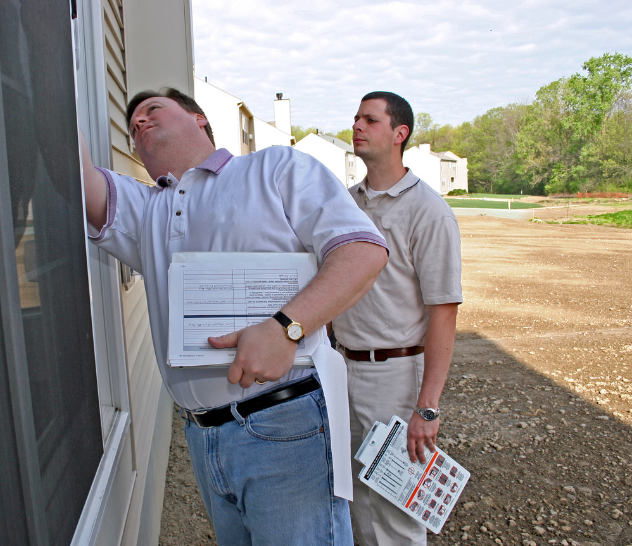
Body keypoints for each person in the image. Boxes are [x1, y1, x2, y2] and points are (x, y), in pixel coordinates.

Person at [81, 87, 389, 545]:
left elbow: (361, 250)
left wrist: (286, 328)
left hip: (287, 424)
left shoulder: (275, 168)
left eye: (152, 110)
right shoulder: (149, 210)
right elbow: (79, 174)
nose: (140, 124)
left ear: (199, 118)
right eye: (132, 127)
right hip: (204, 437)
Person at [332, 91, 462, 546]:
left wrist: (426, 407)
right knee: (348, 499)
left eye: (370, 119)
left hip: (395, 375)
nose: (357, 126)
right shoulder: (345, 203)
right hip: (340, 368)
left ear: (399, 133)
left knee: (394, 508)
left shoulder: (428, 211)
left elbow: (443, 313)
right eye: (355, 118)